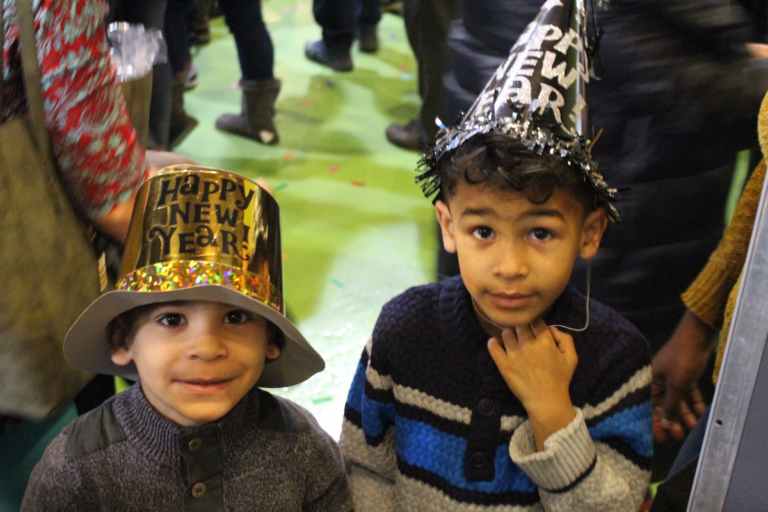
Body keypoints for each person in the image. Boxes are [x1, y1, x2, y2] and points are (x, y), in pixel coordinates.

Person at [339, 1, 652, 510]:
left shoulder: (616, 361)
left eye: (541, 233)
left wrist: (552, 410)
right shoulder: (403, 330)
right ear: (448, 225)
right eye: (483, 229)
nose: (509, 266)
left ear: (590, 232)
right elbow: (364, 465)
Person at [21, 167, 353, 511]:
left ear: (271, 339)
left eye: (235, 317)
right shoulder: (73, 470)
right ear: (121, 339)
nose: (208, 348)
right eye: (172, 319)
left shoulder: (305, 451)